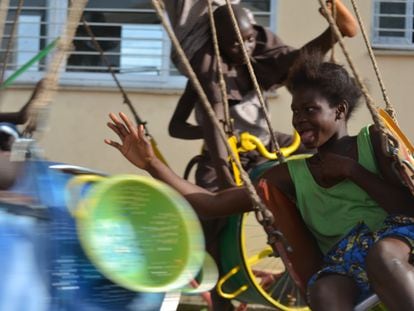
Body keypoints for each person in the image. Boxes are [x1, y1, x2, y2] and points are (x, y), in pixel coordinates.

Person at [105, 52, 414, 311]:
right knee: (323, 291)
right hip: (346, 263)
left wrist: (352, 171)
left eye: (310, 109)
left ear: (339, 111)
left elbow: (406, 207)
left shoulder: (372, 141)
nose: (299, 119)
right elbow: (212, 204)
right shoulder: (290, 174)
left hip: (397, 242)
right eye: (295, 111)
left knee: (382, 257)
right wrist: (151, 164)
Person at [167, 2, 357, 308]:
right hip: (227, 155)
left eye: (249, 39)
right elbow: (183, 127)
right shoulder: (208, 77)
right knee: (209, 210)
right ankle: (219, 296)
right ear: (221, 45)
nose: (243, 47)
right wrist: (224, 164)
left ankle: (333, 33)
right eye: (234, 43)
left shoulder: (256, 63)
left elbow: (279, 60)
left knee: (312, 152)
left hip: (266, 142)